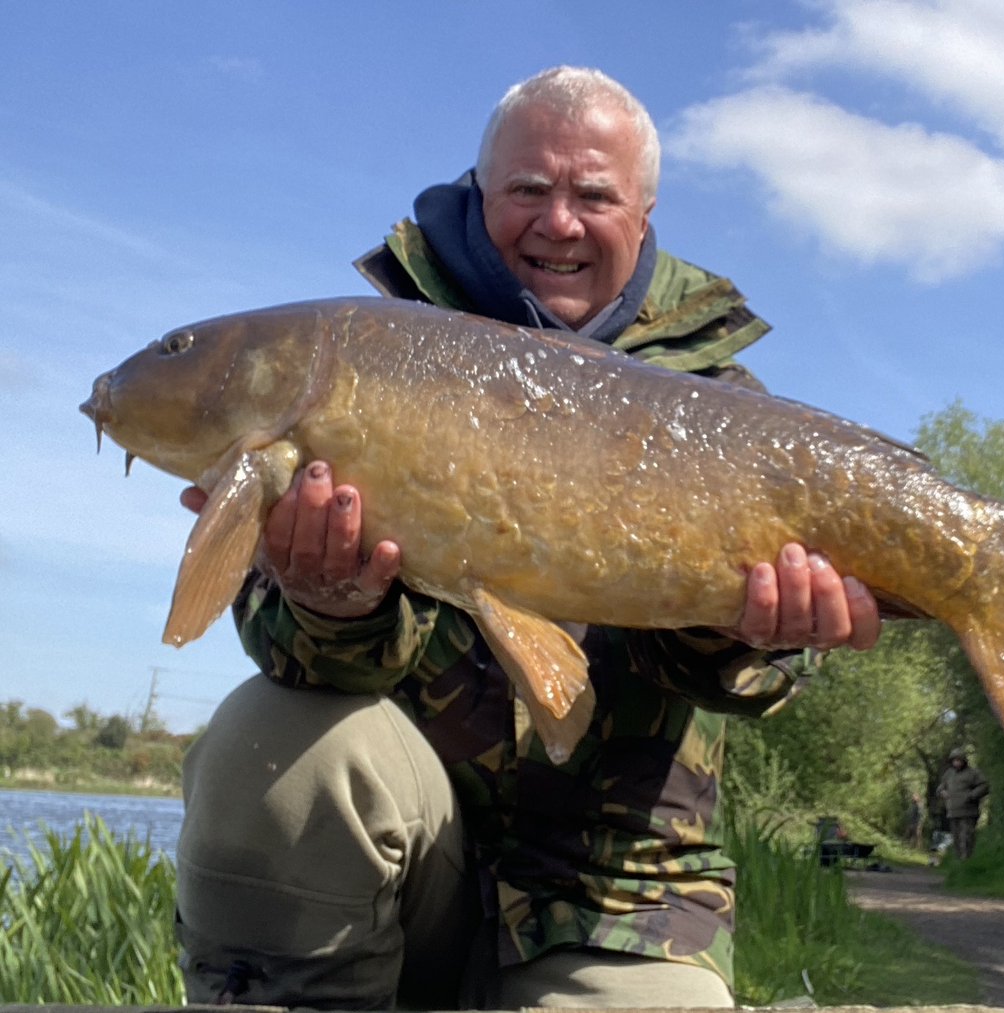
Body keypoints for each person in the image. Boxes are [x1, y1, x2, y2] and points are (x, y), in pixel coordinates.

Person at [174, 66, 881, 1010]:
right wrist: (330, 601)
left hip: (619, 893)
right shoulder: (358, 356)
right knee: (265, 734)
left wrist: (746, 631)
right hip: (406, 862)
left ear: (644, 212)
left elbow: (748, 688)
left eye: (594, 194)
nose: (558, 221)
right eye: (527, 190)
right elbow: (293, 657)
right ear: (480, 190)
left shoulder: (723, 405)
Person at [937, 748, 989, 860]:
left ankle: (967, 861)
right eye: (954, 760)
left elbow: (984, 786)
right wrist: (942, 792)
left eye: (959, 760)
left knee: (967, 838)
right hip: (953, 812)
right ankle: (959, 863)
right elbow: (940, 787)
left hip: (968, 812)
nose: (957, 762)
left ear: (964, 760)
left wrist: (972, 795)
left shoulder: (973, 773)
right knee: (956, 839)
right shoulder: (949, 774)